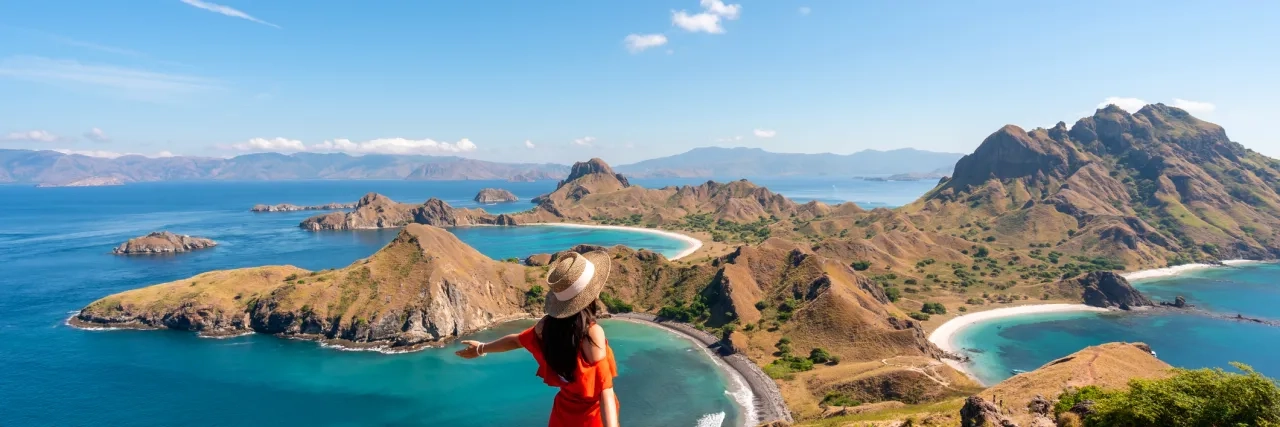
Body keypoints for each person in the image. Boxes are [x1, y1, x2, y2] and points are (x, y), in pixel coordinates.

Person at [455, 251, 620, 427]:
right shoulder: (592, 333)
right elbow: (605, 390)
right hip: (591, 418)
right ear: (592, 295)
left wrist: (481, 348)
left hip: (562, 415)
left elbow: (515, 341)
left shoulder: (545, 327)